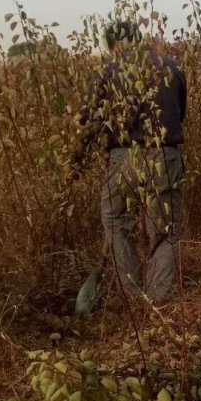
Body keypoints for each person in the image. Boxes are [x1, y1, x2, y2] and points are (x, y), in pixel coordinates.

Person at [72, 18, 187, 305]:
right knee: (165, 232)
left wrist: (76, 160)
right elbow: (180, 112)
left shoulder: (105, 71)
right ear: (138, 38)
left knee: (113, 219)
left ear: (112, 45)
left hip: (122, 158)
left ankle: (132, 294)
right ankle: (157, 304)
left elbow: (87, 121)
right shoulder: (171, 65)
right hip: (165, 153)